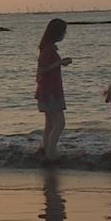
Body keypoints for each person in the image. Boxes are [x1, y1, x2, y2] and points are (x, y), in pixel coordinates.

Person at [35, 18, 72, 161]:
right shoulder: (49, 49)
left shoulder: (47, 47)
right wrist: (60, 63)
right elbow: (42, 69)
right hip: (51, 91)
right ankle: (51, 153)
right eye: (64, 32)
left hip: (47, 90)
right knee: (59, 124)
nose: (65, 34)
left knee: (50, 124)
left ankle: (47, 150)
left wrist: (59, 63)